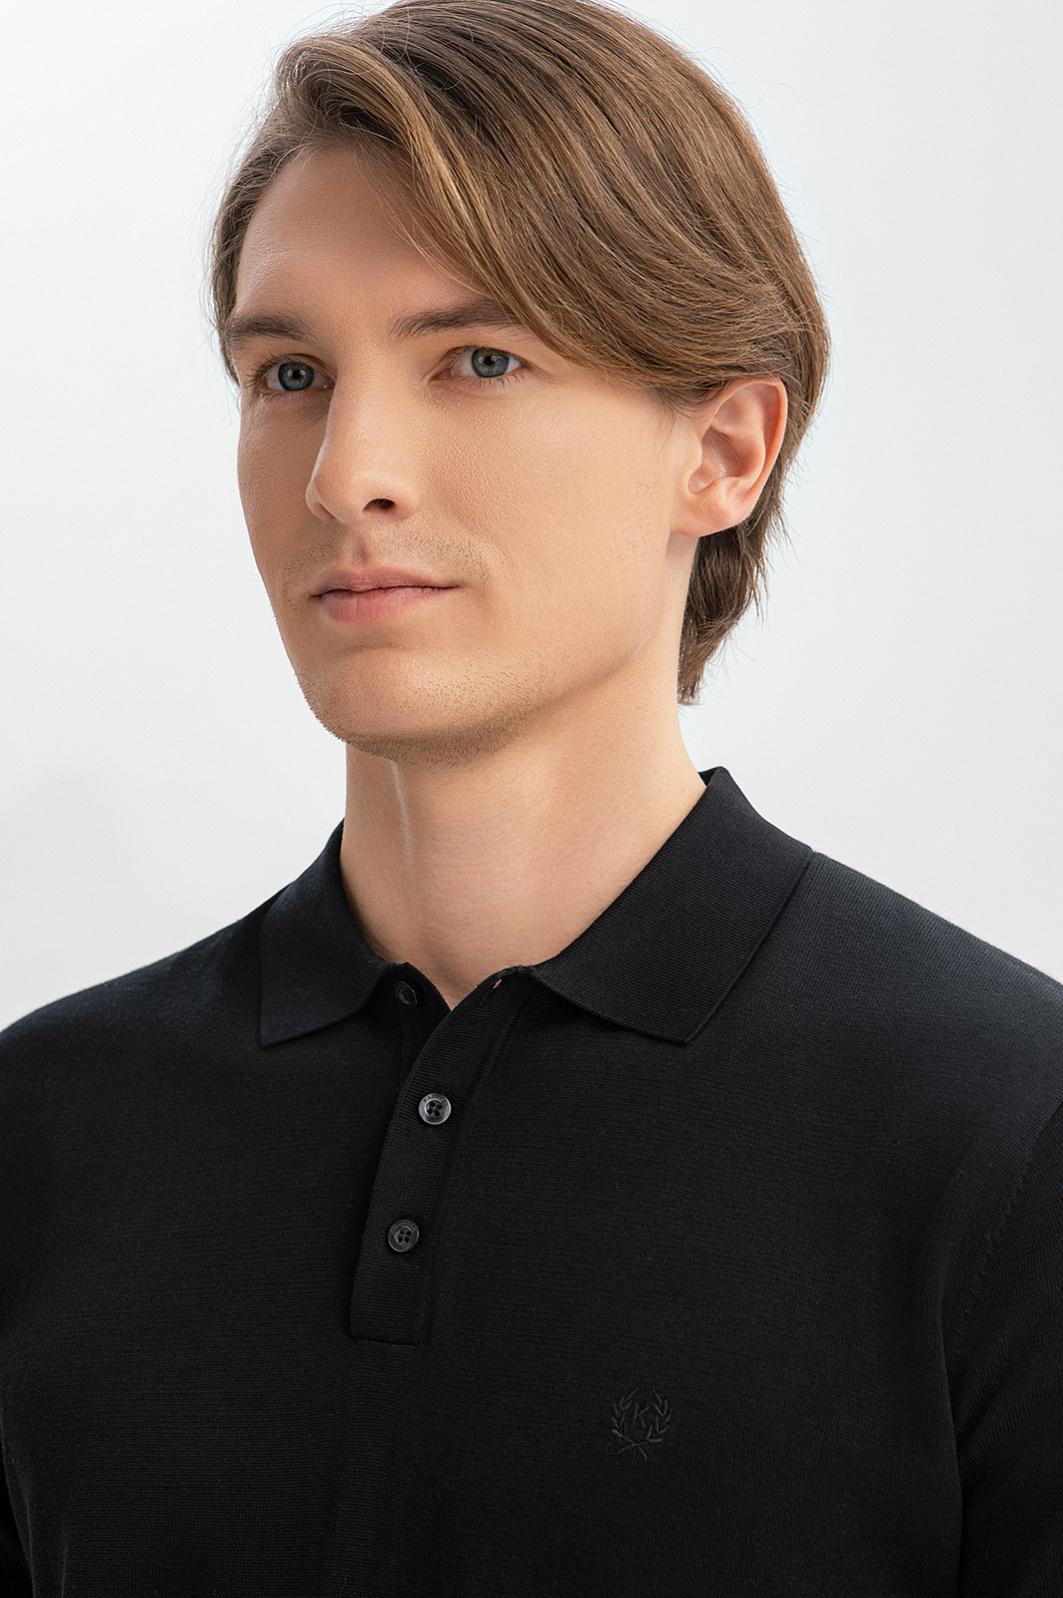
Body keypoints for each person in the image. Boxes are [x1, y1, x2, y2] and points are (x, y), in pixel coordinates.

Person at [1, 0, 1061, 1591]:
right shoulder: (42, 1131)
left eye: (479, 359)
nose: (344, 471)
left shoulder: (1011, 1134)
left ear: (724, 449)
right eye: (289, 371)